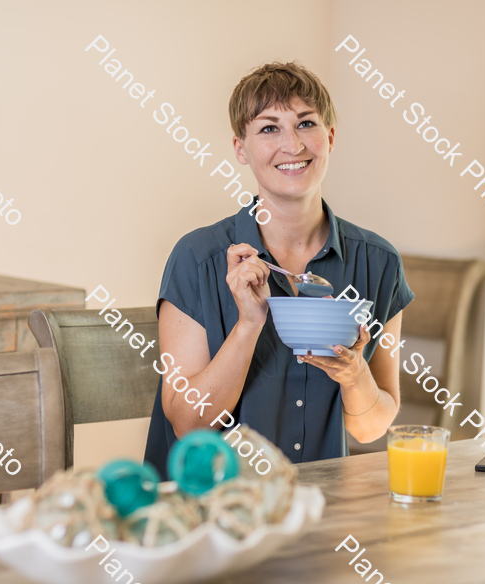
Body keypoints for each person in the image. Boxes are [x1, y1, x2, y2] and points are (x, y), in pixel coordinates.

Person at [144, 61, 414, 477]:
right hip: (205, 510)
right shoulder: (197, 258)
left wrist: (354, 372)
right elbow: (188, 423)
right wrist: (248, 325)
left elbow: (372, 427)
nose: (293, 144)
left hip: (313, 508)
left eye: (306, 123)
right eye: (269, 128)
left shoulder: (378, 263)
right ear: (240, 148)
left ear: (330, 137)